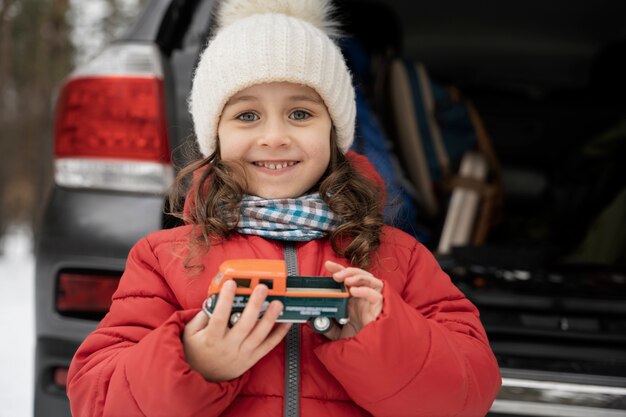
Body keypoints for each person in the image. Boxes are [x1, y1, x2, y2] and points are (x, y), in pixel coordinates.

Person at [67, 0, 501, 416]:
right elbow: (97, 398)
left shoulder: (400, 259)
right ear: (214, 135)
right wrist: (194, 361)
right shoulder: (165, 258)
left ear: (334, 131)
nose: (274, 136)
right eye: (247, 116)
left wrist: (381, 335)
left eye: (299, 114)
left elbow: (468, 394)